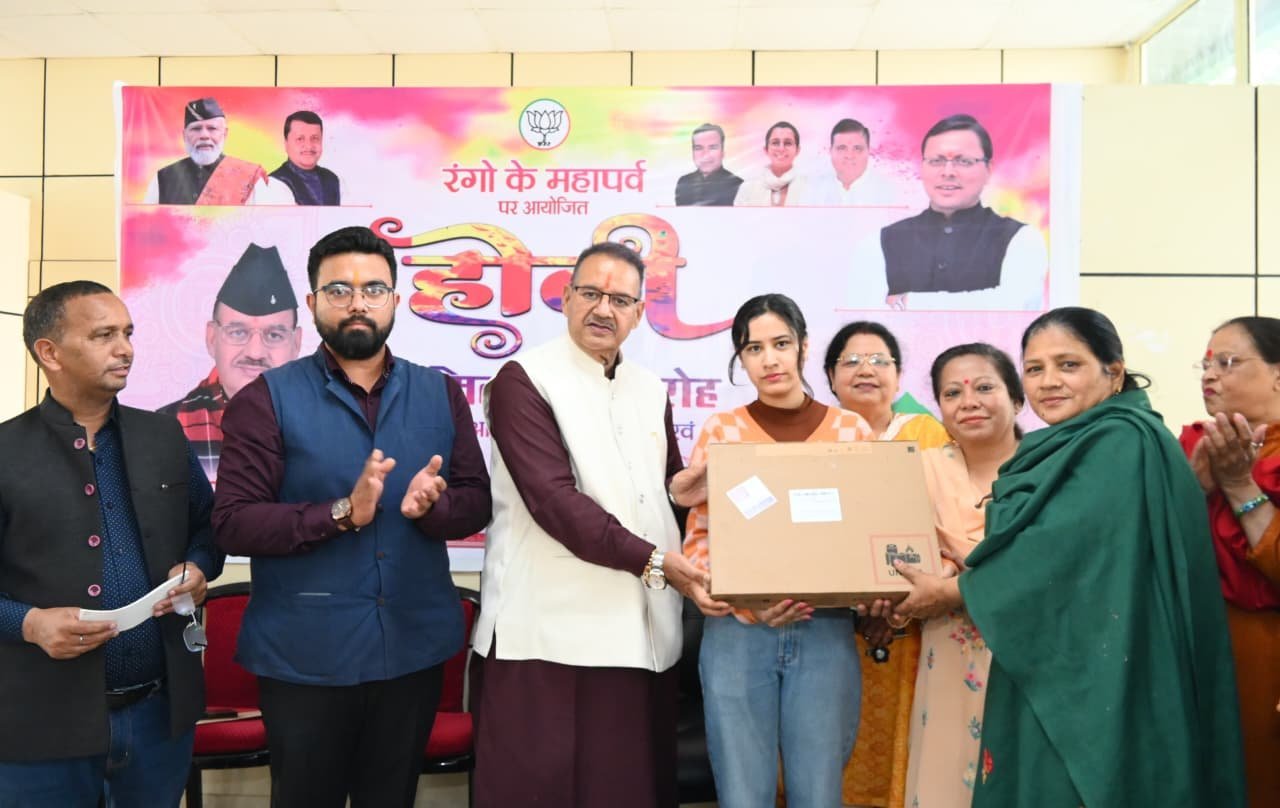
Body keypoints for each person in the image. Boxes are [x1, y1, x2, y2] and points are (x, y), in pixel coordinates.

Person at [891, 306, 1246, 807]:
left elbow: (1056, 554)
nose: (1049, 381)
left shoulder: (1122, 440)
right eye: (1034, 368)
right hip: (1064, 653)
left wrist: (952, 591)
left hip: (1103, 672)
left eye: (1068, 365)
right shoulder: (1073, 442)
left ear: (1114, 371)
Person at [212, 226, 492, 808]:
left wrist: (433, 509)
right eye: (339, 290)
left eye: (373, 289)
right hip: (305, 656)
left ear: (395, 300)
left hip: (412, 650)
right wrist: (341, 513)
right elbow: (235, 522)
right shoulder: (264, 399)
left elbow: (477, 499)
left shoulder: (440, 393)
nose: (357, 303)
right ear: (312, 303)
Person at [472, 241, 721, 808]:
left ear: (639, 312)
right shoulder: (523, 380)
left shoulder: (650, 388)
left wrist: (679, 493)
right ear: (565, 299)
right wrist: (656, 562)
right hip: (548, 636)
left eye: (620, 300)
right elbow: (554, 502)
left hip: (642, 634)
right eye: (590, 293)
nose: (603, 309)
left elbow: (656, 486)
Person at [0, 280, 224, 807]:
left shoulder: (164, 437)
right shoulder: (6, 452)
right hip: (38, 724)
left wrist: (197, 569)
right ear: (49, 352)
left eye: (127, 333)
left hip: (157, 718)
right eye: (104, 336)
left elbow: (209, 528)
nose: (125, 349)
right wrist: (29, 624)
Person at [683, 293, 873, 807]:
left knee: (819, 793)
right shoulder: (721, 431)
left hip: (825, 629)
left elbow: (868, 533)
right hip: (738, 633)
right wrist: (747, 602)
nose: (769, 359)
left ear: (803, 347)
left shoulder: (851, 431)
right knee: (743, 794)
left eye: (781, 344)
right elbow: (698, 540)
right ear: (740, 359)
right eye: (754, 348)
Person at [820, 319, 949, 807]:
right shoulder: (816, 439)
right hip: (829, 623)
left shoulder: (927, 433)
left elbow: (943, 526)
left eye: (879, 360)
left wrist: (895, 605)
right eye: (851, 361)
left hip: (912, 622)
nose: (865, 370)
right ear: (831, 377)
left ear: (898, 376)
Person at [902, 343, 1023, 807]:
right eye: (952, 393)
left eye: (984, 388)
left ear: (1017, 399)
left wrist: (957, 579)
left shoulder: (1048, 472)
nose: (968, 402)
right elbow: (902, 565)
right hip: (948, 659)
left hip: (1028, 658)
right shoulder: (921, 471)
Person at [1179, 316, 1280, 807]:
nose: (1209, 375)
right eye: (1205, 364)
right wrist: (1196, 488)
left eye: (1227, 362)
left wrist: (1239, 485)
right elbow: (1159, 561)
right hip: (1201, 651)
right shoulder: (1190, 448)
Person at [849, 114, 1048, 311]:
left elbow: (1014, 305)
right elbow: (864, 313)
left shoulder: (1021, 238)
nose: (948, 172)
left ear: (988, 169)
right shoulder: (880, 242)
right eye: (936, 161)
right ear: (922, 168)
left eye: (964, 161)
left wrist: (911, 302)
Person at [159, 243, 302, 481]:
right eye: (238, 332)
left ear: (296, 343)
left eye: (274, 335)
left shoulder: (326, 423)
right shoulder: (164, 430)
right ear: (212, 338)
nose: (255, 352)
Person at [144, 97, 287, 206]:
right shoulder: (162, 178)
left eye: (212, 128)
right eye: (196, 129)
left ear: (225, 134)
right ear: (184, 135)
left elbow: (263, 228)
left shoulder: (249, 176)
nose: (204, 135)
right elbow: (147, 226)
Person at [815, 118, 899, 207]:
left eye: (857, 148)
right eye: (842, 148)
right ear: (831, 151)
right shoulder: (814, 189)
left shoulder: (890, 193)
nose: (849, 155)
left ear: (868, 151)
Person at [734, 121, 817, 207]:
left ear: (797, 150)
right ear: (766, 150)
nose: (781, 148)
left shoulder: (811, 187)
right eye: (775, 143)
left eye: (788, 143)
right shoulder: (748, 188)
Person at [269, 110, 342, 206]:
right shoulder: (273, 183)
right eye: (300, 139)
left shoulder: (332, 179)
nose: (309, 146)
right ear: (286, 144)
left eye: (315, 138)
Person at [674, 123, 743, 206]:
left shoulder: (738, 186)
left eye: (712, 148)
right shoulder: (684, 183)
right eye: (698, 148)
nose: (705, 154)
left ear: (722, 152)